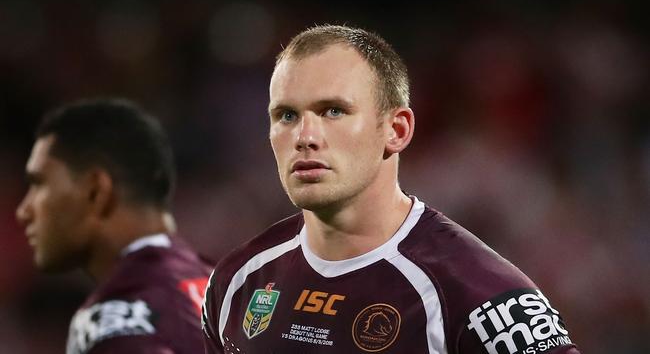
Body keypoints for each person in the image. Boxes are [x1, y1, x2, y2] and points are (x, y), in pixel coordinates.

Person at [201, 25, 580, 354]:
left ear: (396, 130)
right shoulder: (237, 280)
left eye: (334, 111)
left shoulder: (480, 296)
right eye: (287, 115)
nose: (305, 137)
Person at [16, 99, 212, 354]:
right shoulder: (222, 285)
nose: (23, 211)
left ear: (95, 191)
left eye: (39, 183)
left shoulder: (114, 320)